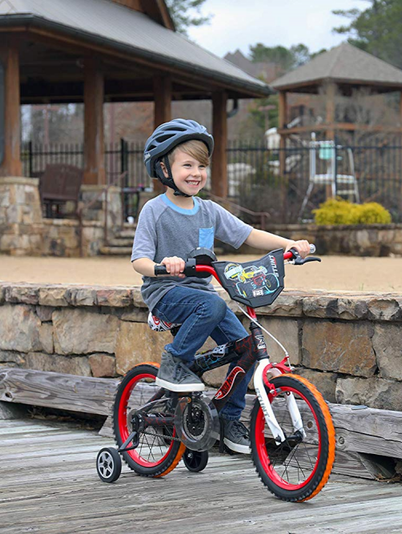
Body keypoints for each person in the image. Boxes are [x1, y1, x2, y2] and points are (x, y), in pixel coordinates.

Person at [131, 118, 310, 454]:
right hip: (166, 293)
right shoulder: (154, 211)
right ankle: (174, 361)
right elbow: (138, 260)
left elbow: (248, 234)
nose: (196, 172)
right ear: (164, 169)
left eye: (201, 165)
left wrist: (291, 244)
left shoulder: (209, 211)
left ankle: (228, 419)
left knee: (246, 347)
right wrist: (161, 265)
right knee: (213, 305)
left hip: (201, 296)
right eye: (187, 165)